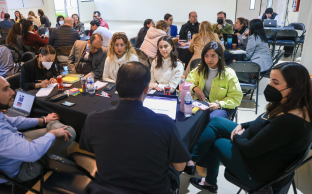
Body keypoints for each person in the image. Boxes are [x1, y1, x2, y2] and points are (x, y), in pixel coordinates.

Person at [188, 62, 312, 193]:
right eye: (270, 80)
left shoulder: (288, 122)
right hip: (260, 149)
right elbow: (265, 119)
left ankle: (205, 178)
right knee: (217, 122)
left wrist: (236, 136)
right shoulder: (295, 105)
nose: (269, 85)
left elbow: (249, 149)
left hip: (258, 172)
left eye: (275, 82)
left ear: (293, 88)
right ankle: (191, 162)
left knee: (215, 142)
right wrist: (243, 125)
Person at [79, 62, 191, 193]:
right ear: (146, 89)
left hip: (107, 189)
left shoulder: (93, 120)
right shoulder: (165, 124)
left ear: (116, 84)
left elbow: (88, 150)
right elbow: (179, 166)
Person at [0, 74, 76, 184]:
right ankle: (56, 137)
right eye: (6, 89)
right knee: (68, 132)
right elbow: (32, 153)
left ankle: (54, 128)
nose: (13, 92)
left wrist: (44, 119)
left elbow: (13, 121)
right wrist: (52, 133)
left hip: (14, 148)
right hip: (19, 169)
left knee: (54, 128)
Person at [186, 42, 242, 120]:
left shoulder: (229, 74)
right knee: (188, 114)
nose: (209, 59)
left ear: (219, 57)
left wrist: (218, 104)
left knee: (211, 118)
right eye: (206, 56)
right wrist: (194, 88)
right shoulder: (200, 69)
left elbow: (236, 98)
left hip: (223, 106)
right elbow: (187, 82)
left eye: (213, 56)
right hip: (204, 103)